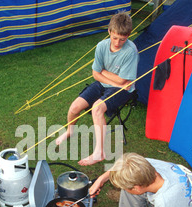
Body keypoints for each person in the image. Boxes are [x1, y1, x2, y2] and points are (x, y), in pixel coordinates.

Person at [56, 12, 139, 166]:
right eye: (115, 38)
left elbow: (122, 80)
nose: (117, 42)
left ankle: (99, 152)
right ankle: (69, 131)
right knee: (75, 107)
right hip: (107, 84)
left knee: (97, 108)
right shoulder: (101, 46)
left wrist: (106, 74)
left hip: (124, 90)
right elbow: (95, 74)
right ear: (109, 31)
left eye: (122, 39)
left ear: (128, 35)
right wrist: (115, 80)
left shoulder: (130, 51)